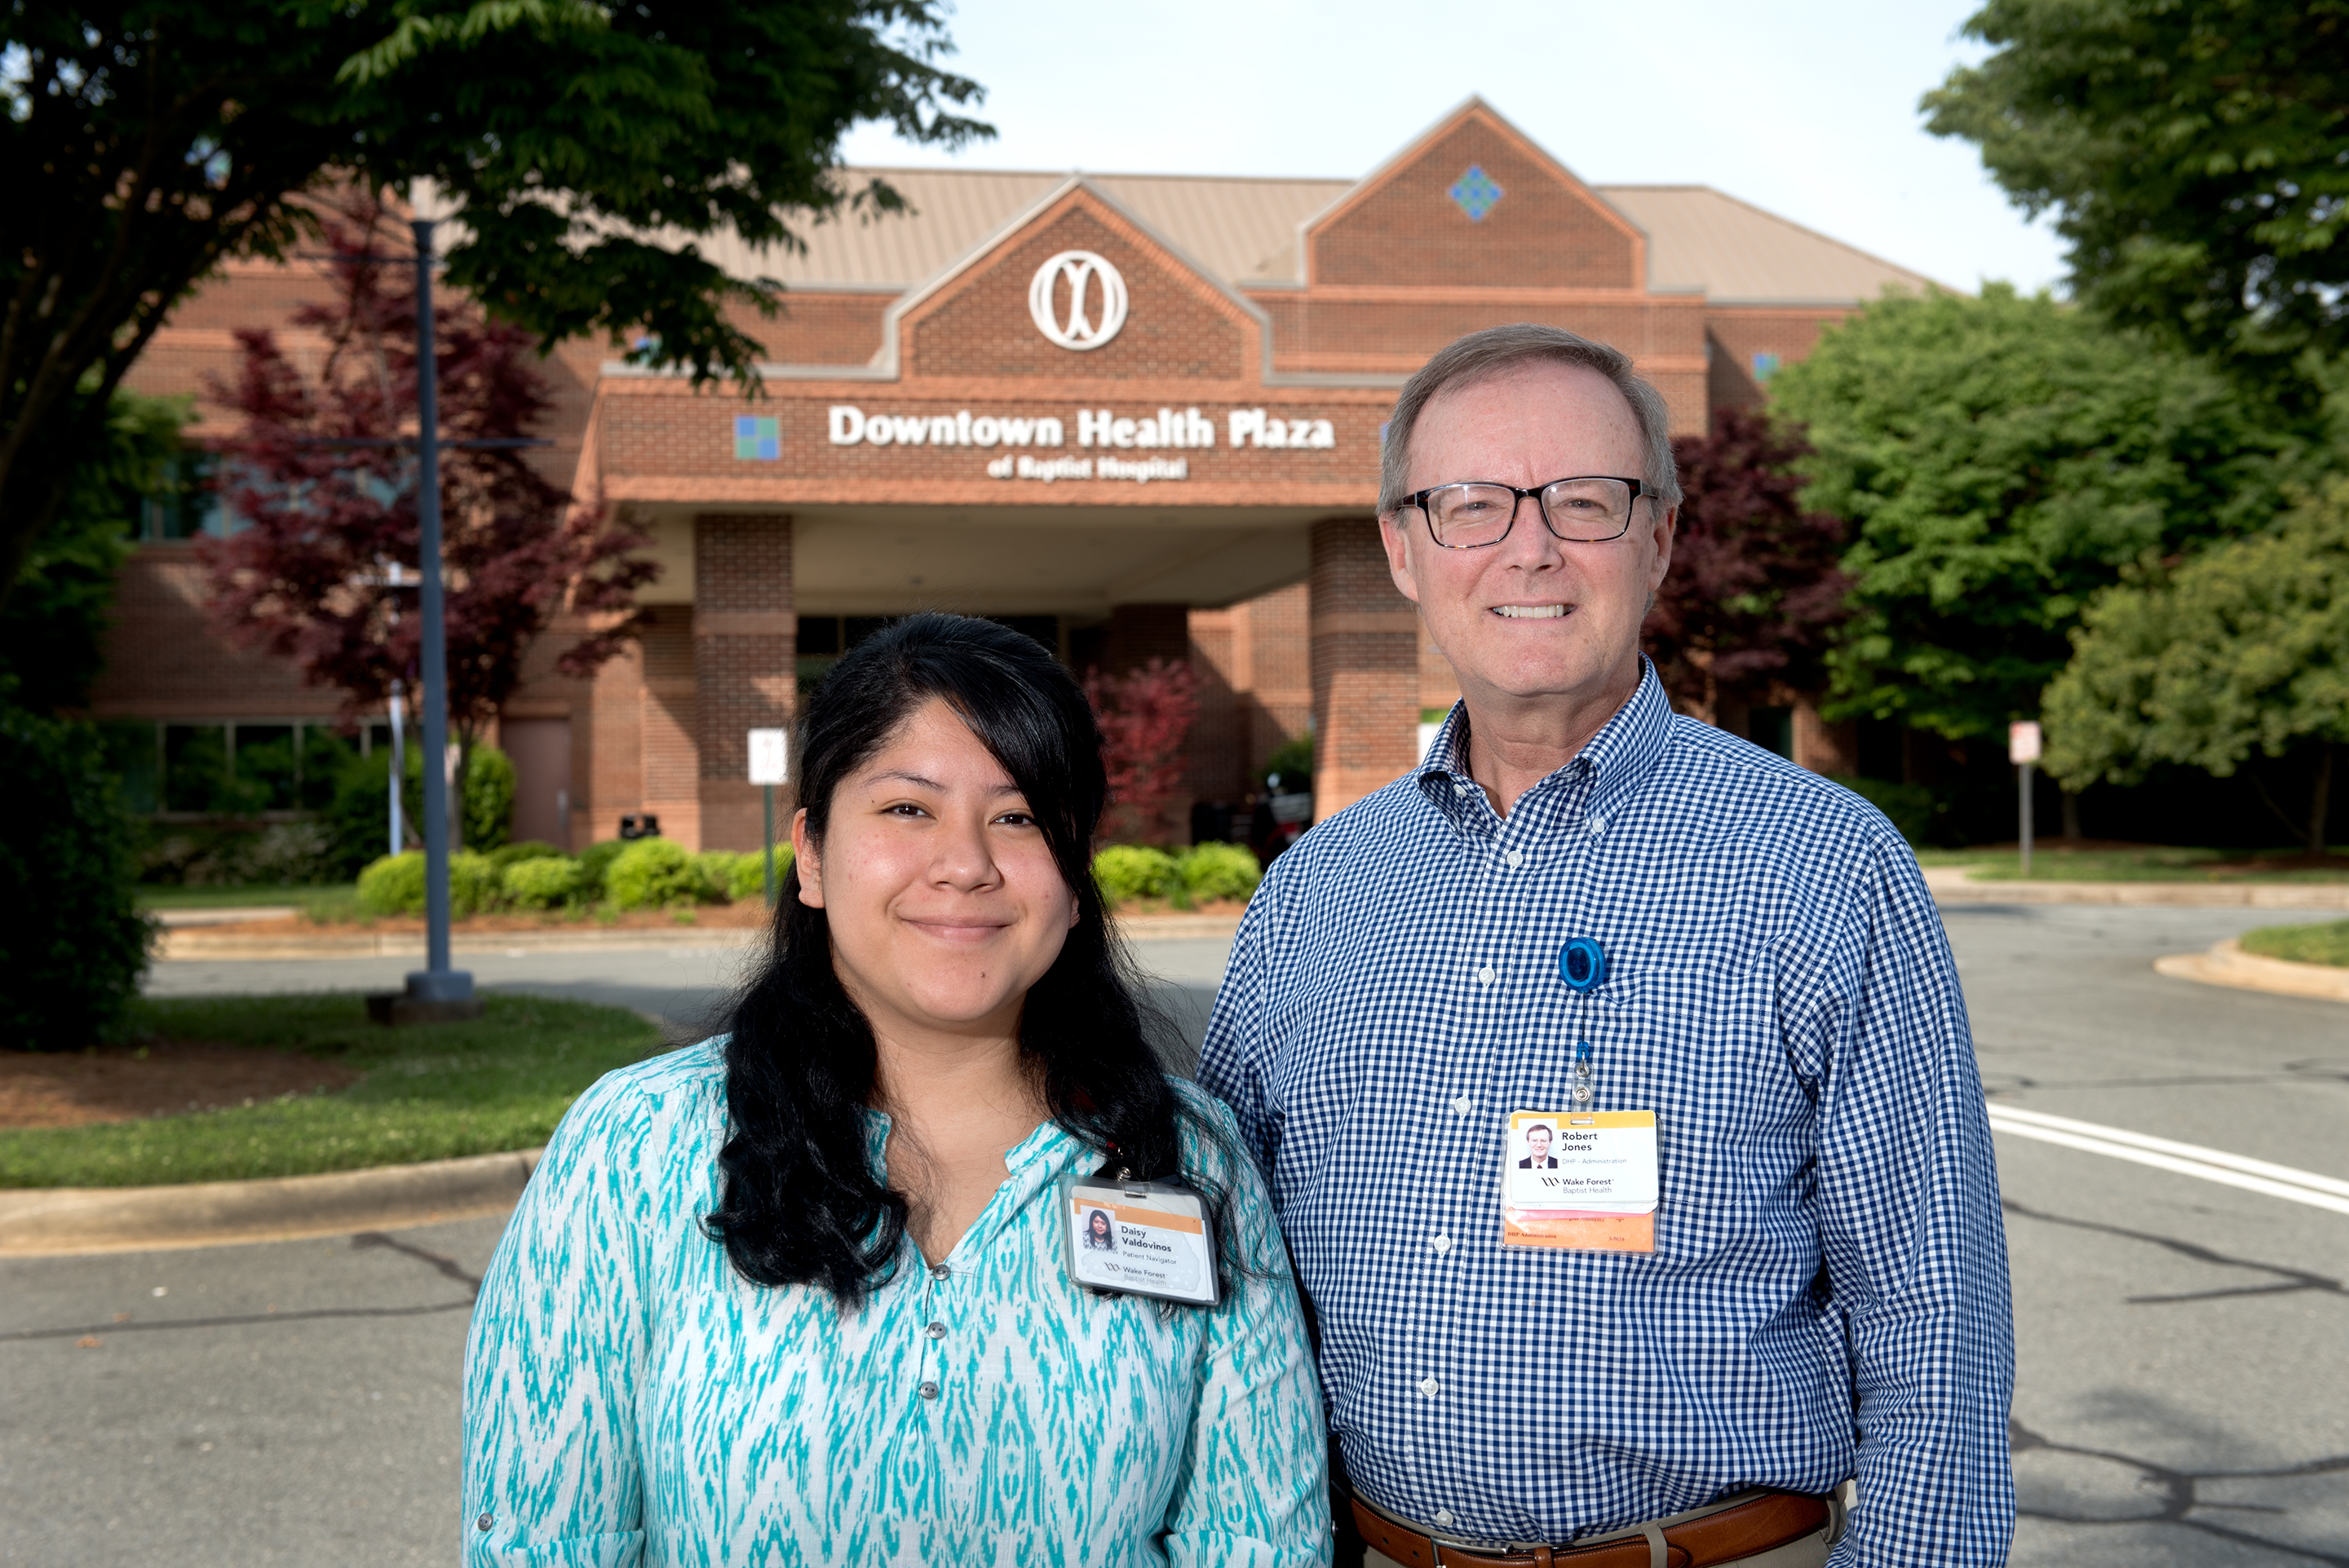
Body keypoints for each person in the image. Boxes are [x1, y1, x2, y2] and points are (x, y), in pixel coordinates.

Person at [1199, 325, 2013, 1567]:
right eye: (1470, 503)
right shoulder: (1314, 891)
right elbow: (1230, 1258)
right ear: (1404, 549)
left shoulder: (1823, 864)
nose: (1530, 544)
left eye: (1584, 500)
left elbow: (1933, 1313)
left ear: (1660, 537)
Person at [464, 612, 1330, 1566]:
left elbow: (1257, 1542)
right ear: (810, 853)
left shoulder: (1189, 1158)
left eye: (1021, 817)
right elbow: (545, 1544)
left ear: (1075, 881)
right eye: (908, 809)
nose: (966, 863)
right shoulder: (631, 1151)